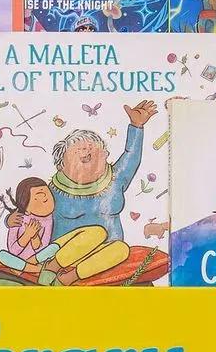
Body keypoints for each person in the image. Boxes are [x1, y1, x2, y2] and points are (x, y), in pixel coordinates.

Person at [42, 100, 160, 279]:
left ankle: (68, 279)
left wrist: (136, 126)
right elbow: (30, 213)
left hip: (104, 256)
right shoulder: (52, 191)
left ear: (105, 155)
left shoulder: (115, 178)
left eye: (93, 150)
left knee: (121, 249)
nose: (86, 149)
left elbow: (131, 156)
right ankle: (52, 270)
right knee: (96, 233)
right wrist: (11, 221)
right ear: (61, 165)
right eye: (79, 152)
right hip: (64, 257)